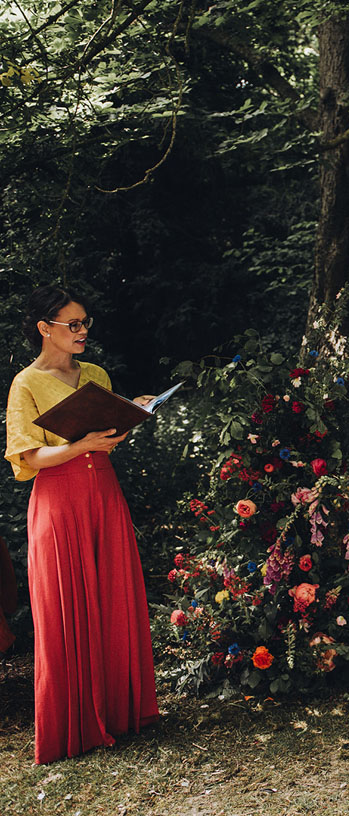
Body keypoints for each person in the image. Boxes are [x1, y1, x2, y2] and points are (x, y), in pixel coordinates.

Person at [5, 286, 160, 764]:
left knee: (111, 595)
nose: (82, 331)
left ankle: (118, 713)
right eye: (72, 324)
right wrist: (81, 445)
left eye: (85, 323)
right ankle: (74, 726)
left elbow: (106, 438)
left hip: (102, 494)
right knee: (65, 607)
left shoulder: (94, 374)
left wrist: (132, 414)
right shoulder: (25, 383)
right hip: (59, 499)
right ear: (44, 328)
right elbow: (28, 456)